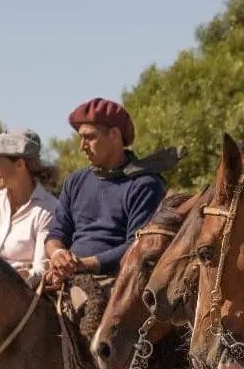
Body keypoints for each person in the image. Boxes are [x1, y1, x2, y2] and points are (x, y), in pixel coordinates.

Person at [44, 98, 167, 286]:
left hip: (117, 283)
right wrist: (58, 254)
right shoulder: (75, 181)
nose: (82, 145)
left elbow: (139, 246)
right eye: (80, 137)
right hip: (69, 276)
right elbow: (57, 234)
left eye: (90, 137)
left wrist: (85, 264)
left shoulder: (145, 184)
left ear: (115, 135)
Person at [0, 129, 59, 287]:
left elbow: (40, 270)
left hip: (19, 299)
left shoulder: (48, 209)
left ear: (20, 164)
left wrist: (21, 276)